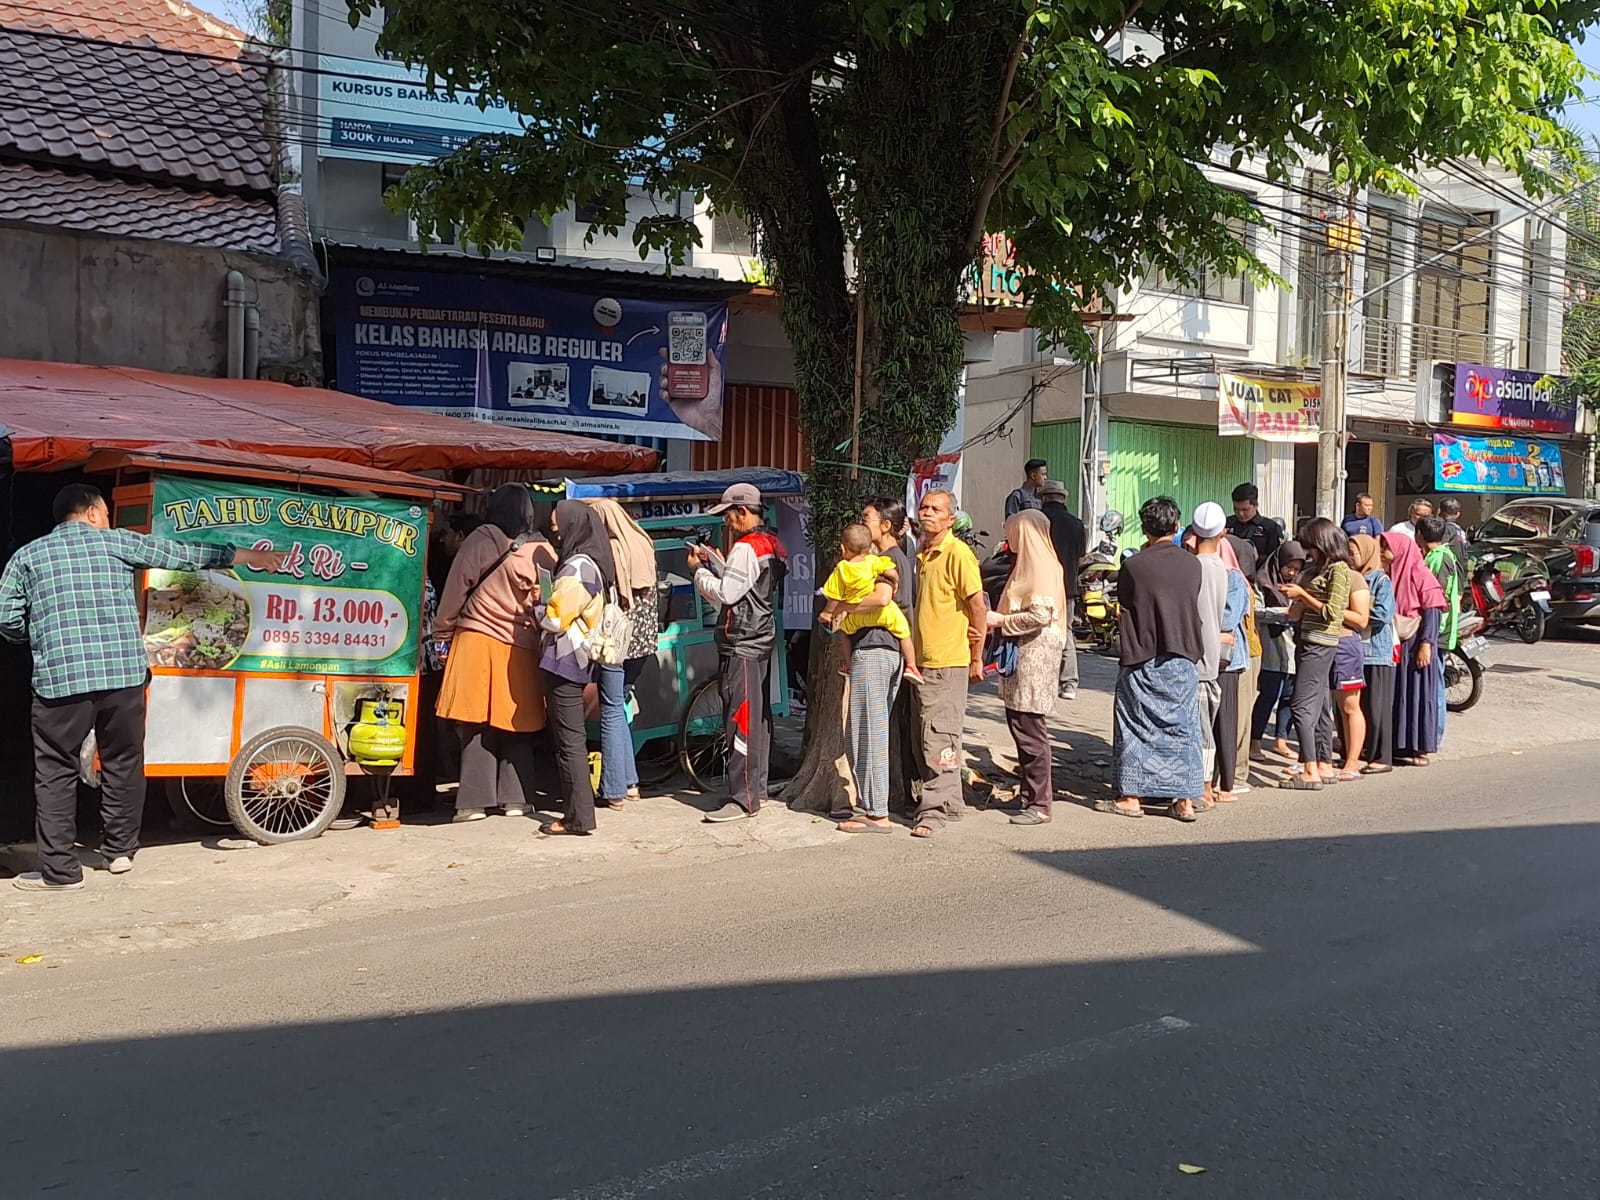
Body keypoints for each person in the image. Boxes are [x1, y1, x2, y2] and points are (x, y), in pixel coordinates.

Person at [0, 483, 285, 890]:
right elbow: (185, 555)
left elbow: (6, 616)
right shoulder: (117, 543)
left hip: (60, 680)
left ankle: (61, 873)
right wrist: (250, 556)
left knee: (55, 772)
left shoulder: (27, 556)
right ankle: (119, 853)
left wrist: (38, 639)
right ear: (95, 513)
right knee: (123, 762)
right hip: (122, 679)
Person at [435, 485, 556, 822]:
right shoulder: (542, 549)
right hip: (521, 644)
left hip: (476, 637)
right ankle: (517, 800)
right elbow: (548, 599)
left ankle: (474, 802)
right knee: (515, 723)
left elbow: (457, 587)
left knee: (475, 725)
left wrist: (442, 631)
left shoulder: (482, 537)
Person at [1098, 496, 1206, 823]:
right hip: (1182, 655)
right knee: (1184, 728)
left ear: (1145, 528)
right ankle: (1185, 800)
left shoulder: (1133, 565)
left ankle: (1132, 797)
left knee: (1134, 726)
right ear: (1176, 526)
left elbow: (1128, 602)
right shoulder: (1193, 564)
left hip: (1142, 653)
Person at [690, 483, 787, 823]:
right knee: (758, 719)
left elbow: (727, 594)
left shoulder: (747, 547)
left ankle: (742, 797)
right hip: (761, 638)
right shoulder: (772, 543)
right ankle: (754, 789)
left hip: (742, 641)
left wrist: (699, 572)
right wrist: (720, 562)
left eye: (729, 515)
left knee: (741, 718)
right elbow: (749, 586)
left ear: (743, 512)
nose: (727, 522)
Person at [909, 488, 987, 839]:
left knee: (937, 735)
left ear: (950, 519)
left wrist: (977, 656)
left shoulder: (958, 553)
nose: (927, 513)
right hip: (923, 660)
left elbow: (978, 606)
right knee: (927, 733)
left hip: (947, 659)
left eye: (936, 509)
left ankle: (934, 810)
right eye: (924, 507)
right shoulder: (923, 553)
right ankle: (951, 801)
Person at [536, 500, 617, 836]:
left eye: (558, 529)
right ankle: (577, 813)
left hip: (565, 659)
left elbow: (556, 618)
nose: (556, 535)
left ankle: (578, 816)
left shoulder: (578, 567)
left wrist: (536, 608)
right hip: (579, 658)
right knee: (572, 739)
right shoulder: (595, 563)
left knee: (569, 741)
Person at [836, 499, 916, 834]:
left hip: (876, 649)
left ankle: (876, 812)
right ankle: (872, 807)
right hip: (879, 651)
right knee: (864, 731)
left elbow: (882, 599)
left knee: (868, 732)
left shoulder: (886, 560)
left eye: (866, 518)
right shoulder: (891, 559)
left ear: (885, 525)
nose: (862, 523)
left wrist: (842, 605)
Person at [984, 510, 1068, 826]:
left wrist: (1001, 620)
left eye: (1013, 532)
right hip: (1022, 656)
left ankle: (1040, 803)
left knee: (1030, 729)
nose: (1009, 538)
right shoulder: (1029, 564)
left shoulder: (1042, 567)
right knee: (1020, 725)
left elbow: (1040, 615)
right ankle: (1028, 796)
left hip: (1035, 658)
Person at [586, 497, 660, 810]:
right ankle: (629, 783)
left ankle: (614, 786)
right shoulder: (642, 540)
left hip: (617, 643)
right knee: (620, 703)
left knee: (612, 708)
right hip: (643, 644)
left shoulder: (613, 549)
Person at [1278, 517, 1353, 790]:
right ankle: (1324, 763)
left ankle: (1309, 768)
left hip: (1321, 643)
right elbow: (1299, 611)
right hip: (1308, 640)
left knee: (1300, 705)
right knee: (1320, 706)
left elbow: (1333, 612)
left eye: (1310, 547)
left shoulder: (1340, 571)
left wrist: (1303, 595)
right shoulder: (1316, 570)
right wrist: (1295, 599)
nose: (1307, 553)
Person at [817, 523, 923, 685]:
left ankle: (847, 665)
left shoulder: (842, 569)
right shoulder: (874, 561)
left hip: (858, 615)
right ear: (869, 547)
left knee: (844, 633)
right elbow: (891, 572)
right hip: (883, 614)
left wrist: (828, 613)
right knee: (904, 631)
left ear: (843, 548)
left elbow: (834, 596)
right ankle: (911, 666)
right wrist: (895, 582)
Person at [1185, 503, 1235, 808]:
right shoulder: (1222, 568)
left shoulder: (1192, 567)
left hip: (1195, 658)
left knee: (1200, 727)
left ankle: (1204, 788)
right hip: (1212, 656)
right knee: (1205, 724)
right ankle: (1204, 785)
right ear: (1223, 533)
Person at [1385, 531, 1446, 765]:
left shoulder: (1421, 574)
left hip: (1417, 642)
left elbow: (1432, 611)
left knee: (1419, 694)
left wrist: (1426, 644)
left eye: (1386, 548)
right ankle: (1399, 745)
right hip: (1398, 641)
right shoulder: (1392, 574)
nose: (1383, 553)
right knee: (1399, 693)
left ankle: (1420, 747)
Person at [1252, 540, 1305, 762]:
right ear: (1278, 563)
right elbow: (1255, 610)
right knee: (1268, 694)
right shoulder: (1263, 581)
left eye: (1296, 569)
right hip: (1271, 647)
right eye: (1288, 567)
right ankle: (1254, 742)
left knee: (1289, 696)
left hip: (1293, 646)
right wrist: (1284, 612)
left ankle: (1280, 741)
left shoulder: (1299, 585)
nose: (1291, 572)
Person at [1352, 534, 1397, 775]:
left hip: (1377, 652)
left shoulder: (1380, 580)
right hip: (1356, 650)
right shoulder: (1353, 578)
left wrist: (1357, 613)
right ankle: (1360, 752)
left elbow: (1384, 614)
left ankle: (1381, 757)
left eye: (1355, 552)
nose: (1351, 556)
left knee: (1377, 706)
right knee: (1358, 707)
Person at [1037, 479, 1086, 700]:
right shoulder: (1076, 524)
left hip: (1039, 585)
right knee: (1065, 632)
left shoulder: (1038, 521)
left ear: (1044, 498)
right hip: (1067, 588)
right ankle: (1069, 683)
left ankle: (1042, 679)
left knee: (1037, 631)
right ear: (1064, 499)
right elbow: (1081, 557)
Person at [1213, 534, 1253, 802]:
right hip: (1210, 655)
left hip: (1228, 659)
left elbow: (1228, 618)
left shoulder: (1234, 579)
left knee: (1226, 721)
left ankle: (1227, 783)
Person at [1419, 514, 1464, 747]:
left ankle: (1434, 736)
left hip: (1440, 628)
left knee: (1435, 684)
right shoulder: (1443, 555)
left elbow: (1439, 597)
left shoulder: (1439, 558)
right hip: (1440, 627)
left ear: (1420, 536)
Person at [1331, 546, 1372, 782]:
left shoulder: (1354, 578)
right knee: (1330, 708)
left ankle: (1353, 762)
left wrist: (1328, 606)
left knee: (1350, 707)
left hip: (1345, 644)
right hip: (1323, 644)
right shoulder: (1317, 573)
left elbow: (1361, 618)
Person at [1226, 535, 1262, 793]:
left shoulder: (1238, 582)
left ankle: (1237, 775)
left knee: (1239, 716)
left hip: (1245, 654)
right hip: (1240, 654)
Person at [1226, 482, 1283, 564]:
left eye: (1245, 509)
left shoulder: (1270, 528)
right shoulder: (1227, 524)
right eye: (1236, 509)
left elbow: (1276, 559)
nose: (1240, 513)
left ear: (1256, 505)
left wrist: (1257, 558)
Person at [1437, 497, 1471, 571]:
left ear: (1439, 511)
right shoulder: (1460, 530)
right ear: (1458, 514)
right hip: (1461, 570)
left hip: (1448, 573)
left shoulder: (1443, 529)